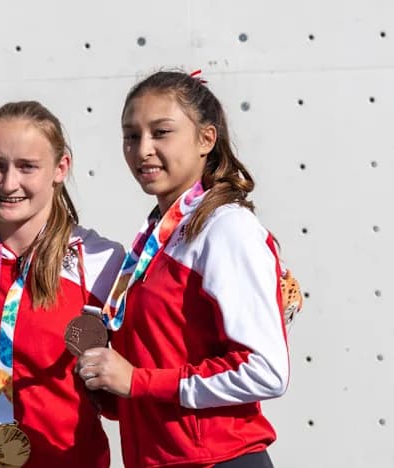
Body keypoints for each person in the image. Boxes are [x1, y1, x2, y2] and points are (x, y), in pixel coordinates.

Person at [77, 70, 292, 468]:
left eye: (161, 133)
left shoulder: (227, 228)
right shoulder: (156, 236)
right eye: (131, 136)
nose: (142, 150)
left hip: (219, 460)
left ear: (206, 139)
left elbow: (265, 371)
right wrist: (109, 386)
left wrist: (138, 381)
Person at [0, 101, 124, 467]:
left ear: (60, 168)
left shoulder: (100, 260)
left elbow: (123, 395)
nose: (9, 184)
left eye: (27, 167)